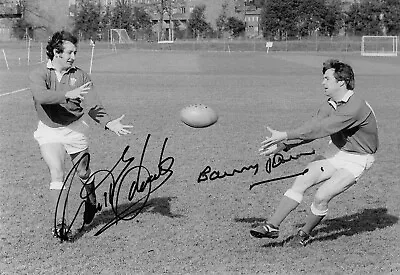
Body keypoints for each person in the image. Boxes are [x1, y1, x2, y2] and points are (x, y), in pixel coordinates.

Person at [250, 59, 379, 247]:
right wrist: (286, 145)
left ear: (341, 82)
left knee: (322, 196)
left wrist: (285, 134)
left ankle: (304, 234)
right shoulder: (331, 104)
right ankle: (272, 226)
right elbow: (313, 127)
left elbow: (322, 129)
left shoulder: (355, 106)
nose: (323, 82)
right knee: (303, 179)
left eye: (327, 78)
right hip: (336, 150)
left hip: (358, 159)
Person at [29, 30, 133, 241]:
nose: (73, 57)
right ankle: (59, 225)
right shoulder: (39, 73)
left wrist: (108, 122)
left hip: (75, 128)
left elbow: (93, 105)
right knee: (57, 173)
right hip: (49, 130)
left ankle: (92, 200)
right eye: (69, 53)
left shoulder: (81, 76)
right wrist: (67, 94)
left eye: (75, 52)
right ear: (56, 52)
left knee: (83, 173)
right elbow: (40, 96)